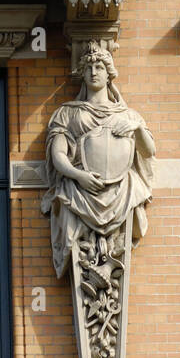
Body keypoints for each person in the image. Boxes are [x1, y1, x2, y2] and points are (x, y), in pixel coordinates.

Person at [41, 39, 155, 281]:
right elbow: (58, 155)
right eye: (88, 68)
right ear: (82, 74)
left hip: (122, 189)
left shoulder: (128, 115)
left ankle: (109, 265)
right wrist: (77, 175)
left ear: (109, 74)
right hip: (80, 189)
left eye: (100, 68)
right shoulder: (68, 113)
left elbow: (149, 151)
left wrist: (137, 127)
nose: (94, 72)